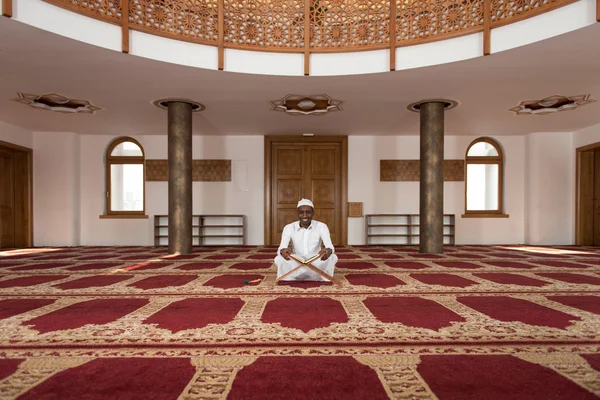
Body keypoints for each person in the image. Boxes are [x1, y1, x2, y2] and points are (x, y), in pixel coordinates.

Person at [274, 198, 338, 282]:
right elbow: (282, 248)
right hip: (297, 260)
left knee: (333, 257)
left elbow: (330, 246)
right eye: (301, 212)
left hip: (316, 260)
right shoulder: (289, 227)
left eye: (308, 212)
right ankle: (312, 275)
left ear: (313, 213)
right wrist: (284, 251)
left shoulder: (322, 226)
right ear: (297, 213)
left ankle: (298, 275)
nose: (305, 215)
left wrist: (328, 251)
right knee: (278, 258)